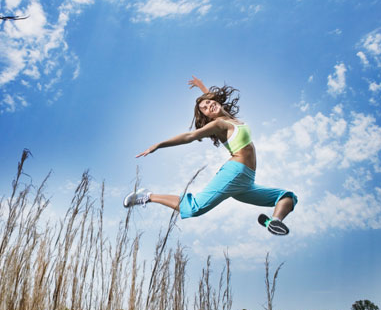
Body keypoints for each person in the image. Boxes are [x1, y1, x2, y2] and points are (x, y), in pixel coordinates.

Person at [124, 76, 297, 235]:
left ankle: (274, 222)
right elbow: (190, 136)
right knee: (194, 209)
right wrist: (159, 145)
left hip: (246, 181)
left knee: (287, 197)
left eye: (209, 102)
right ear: (207, 116)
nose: (208, 106)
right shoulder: (219, 124)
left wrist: (201, 87)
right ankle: (148, 196)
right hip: (235, 173)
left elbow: (211, 99)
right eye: (205, 108)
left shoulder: (231, 119)